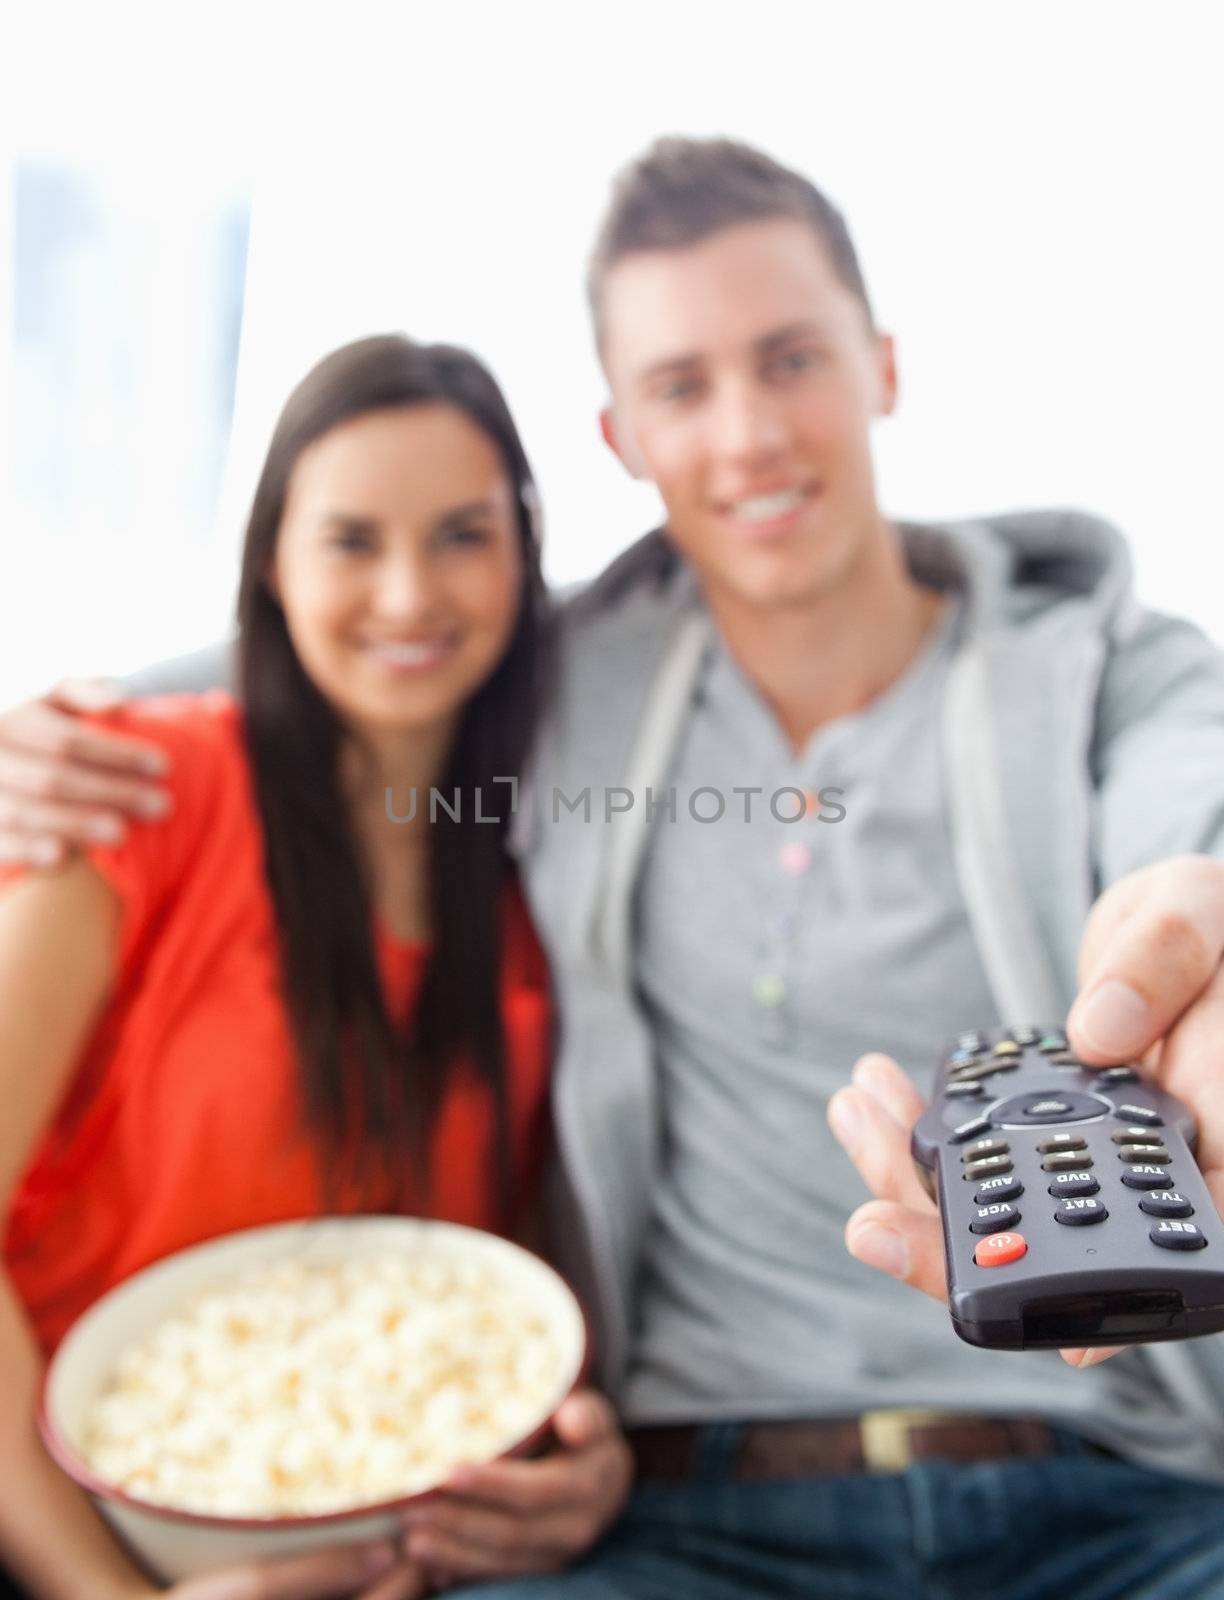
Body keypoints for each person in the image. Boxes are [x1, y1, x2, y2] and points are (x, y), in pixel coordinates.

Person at [6, 138, 1224, 1597]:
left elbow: (1188, 835)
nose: (749, 435)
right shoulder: (577, 677)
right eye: (682, 388)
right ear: (619, 439)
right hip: (696, 1509)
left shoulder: (1111, 672)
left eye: (791, 360)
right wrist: (46, 724)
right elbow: (345, 644)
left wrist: (1195, 952)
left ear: (884, 365)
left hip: (1112, 1478)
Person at [0, 334, 631, 1600]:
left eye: (462, 534)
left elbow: (465, 1312)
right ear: (272, 563)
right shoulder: (129, 790)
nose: (410, 596)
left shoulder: (524, 901)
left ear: (524, 553)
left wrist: (577, 1468)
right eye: (352, 541)